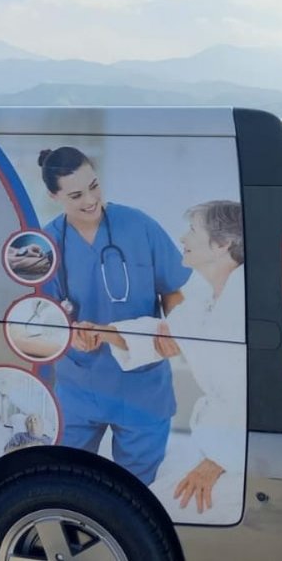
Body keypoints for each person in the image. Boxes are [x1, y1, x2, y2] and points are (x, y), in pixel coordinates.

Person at [38, 146, 190, 485]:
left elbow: (173, 292)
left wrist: (175, 327)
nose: (91, 200)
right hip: (78, 386)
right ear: (53, 196)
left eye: (94, 186)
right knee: (65, 483)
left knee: (134, 494)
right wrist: (70, 335)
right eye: (76, 195)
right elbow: (43, 314)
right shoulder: (47, 244)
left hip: (142, 387)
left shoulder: (139, 226)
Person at [98, 201, 247, 517]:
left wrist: (218, 461)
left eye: (193, 230)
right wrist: (102, 333)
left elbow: (255, 392)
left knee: (159, 510)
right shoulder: (208, 300)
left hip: (238, 453)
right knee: (151, 500)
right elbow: (161, 335)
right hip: (216, 441)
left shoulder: (244, 306)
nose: (182, 238)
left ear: (222, 244)